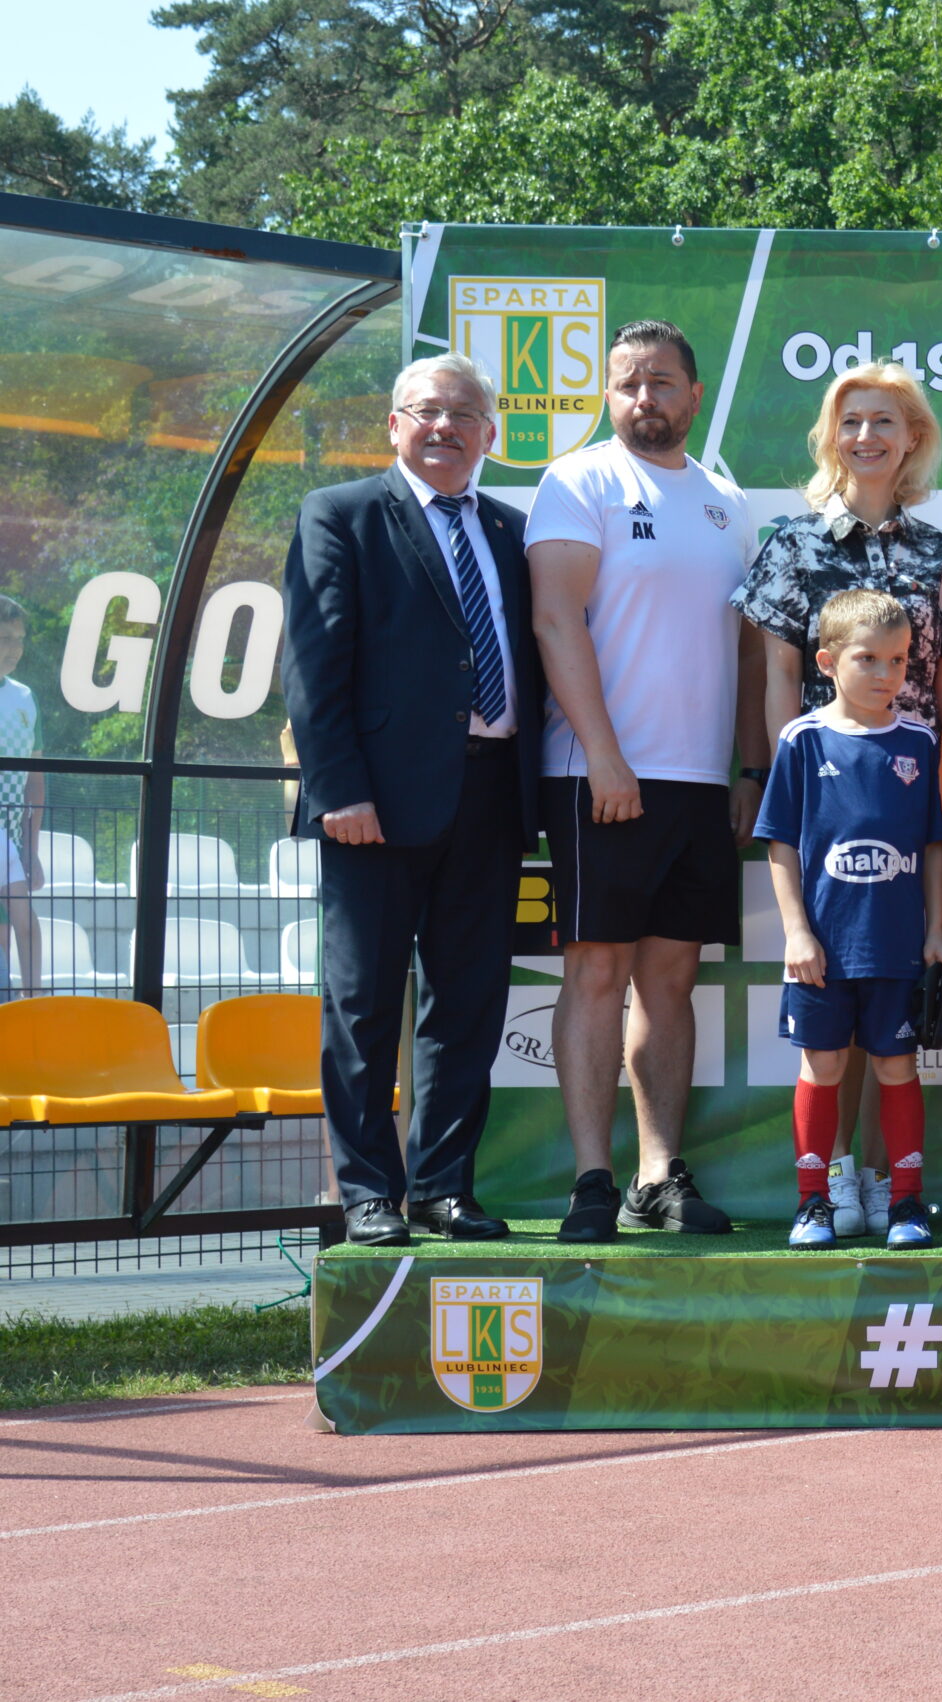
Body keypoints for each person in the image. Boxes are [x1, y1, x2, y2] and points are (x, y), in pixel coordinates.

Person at [280, 352, 546, 1246]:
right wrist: (339, 790)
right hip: (376, 806)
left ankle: (442, 1189)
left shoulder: (512, 530)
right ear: (394, 425)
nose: (444, 427)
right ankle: (366, 1193)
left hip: (492, 796)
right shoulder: (341, 513)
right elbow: (314, 667)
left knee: (468, 1003)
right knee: (362, 1006)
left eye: (464, 414)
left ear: (490, 434)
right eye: (427, 410)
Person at [527, 320, 763, 1243]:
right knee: (597, 972)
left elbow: (748, 650)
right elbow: (555, 621)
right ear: (608, 394)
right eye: (627, 382)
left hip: (700, 781)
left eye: (661, 382)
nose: (643, 398)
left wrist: (747, 768)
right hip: (602, 774)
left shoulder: (724, 499)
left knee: (672, 977)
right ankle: (591, 1181)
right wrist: (604, 753)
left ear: (694, 395)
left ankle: (657, 1176)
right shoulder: (578, 480)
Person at [735, 360, 942, 1241]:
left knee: (894, 1024)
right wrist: (777, 781)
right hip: (825, 801)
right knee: (828, 1027)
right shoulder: (792, 545)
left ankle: (886, 1184)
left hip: (910, 797)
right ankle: (829, 1184)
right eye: (851, 421)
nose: (866, 436)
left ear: (913, 438)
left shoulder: (940, 554)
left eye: (884, 422)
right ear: (831, 437)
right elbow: (777, 676)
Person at [755, 590, 942, 1251]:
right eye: (867, 658)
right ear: (827, 662)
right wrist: (796, 932)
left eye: (898, 660)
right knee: (822, 1067)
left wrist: (936, 931)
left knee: (897, 1068)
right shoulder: (802, 739)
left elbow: (935, 846)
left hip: (897, 946)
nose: (885, 674)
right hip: (823, 948)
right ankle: (812, 1203)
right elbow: (781, 844)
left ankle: (906, 1202)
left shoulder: (920, 742)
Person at [0, 596, 42, 996]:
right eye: (4, 638)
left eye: (20, 639)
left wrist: (30, 849)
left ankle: (33, 1006)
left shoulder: (25, 697)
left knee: (22, 924)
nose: (15, 648)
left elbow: (35, 779)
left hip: (8, 838)